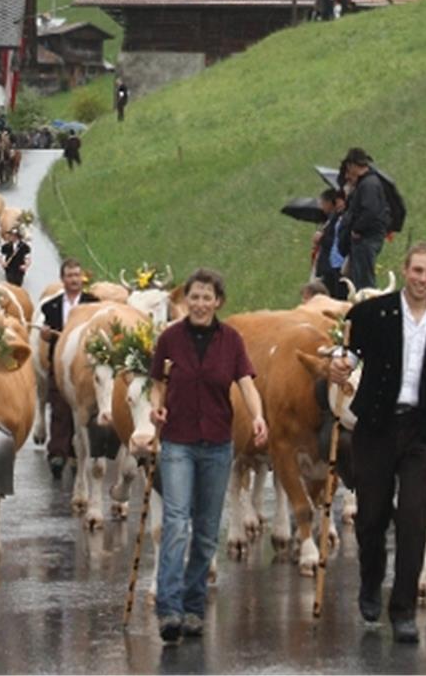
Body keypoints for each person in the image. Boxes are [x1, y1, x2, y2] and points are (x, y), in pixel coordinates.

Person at [329, 241, 426, 645]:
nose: (423, 279)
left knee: (414, 517)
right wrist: (338, 368)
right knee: (372, 517)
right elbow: (347, 358)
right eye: (417, 271)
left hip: (422, 432)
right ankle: (371, 582)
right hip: (375, 428)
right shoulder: (371, 315)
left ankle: (404, 609)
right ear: (405, 270)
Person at [148, 268, 266, 643]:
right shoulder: (169, 339)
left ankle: (194, 607)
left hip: (217, 443)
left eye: (206, 297)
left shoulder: (231, 340)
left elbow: (246, 383)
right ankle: (168, 608)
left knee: (206, 529)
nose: (199, 304)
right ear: (185, 301)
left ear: (218, 302)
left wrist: (259, 415)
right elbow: (156, 384)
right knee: (177, 521)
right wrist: (156, 409)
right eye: (193, 297)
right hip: (178, 442)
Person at [38, 258, 99, 479]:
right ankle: (57, 453)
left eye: (77, 275)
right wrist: (45, 334)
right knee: (59, 407)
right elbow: (47, 331)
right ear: (62, 279)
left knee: (83, 410)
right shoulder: (51, 306)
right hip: (59, 363)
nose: (74, 279)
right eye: (70, 276)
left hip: (84, 367)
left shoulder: (94, 304)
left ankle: (75, 454)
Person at [338, 148, 390, 290]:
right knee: (359, 280)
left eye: (349, 167)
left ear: (354, 165)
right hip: (364, 239)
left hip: (366, 238)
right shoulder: (366, 183)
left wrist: (357, 229)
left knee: (365, 283)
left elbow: (370, 211)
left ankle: (369, 308)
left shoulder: (369, 184)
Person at [312, 187, 348, 299]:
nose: (322, 207)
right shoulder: (331, 218)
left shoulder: (341, 218)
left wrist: (321, 238)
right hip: (328, 263)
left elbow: (336, 240)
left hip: (333, 264)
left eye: (323, 203)